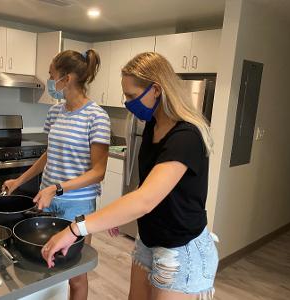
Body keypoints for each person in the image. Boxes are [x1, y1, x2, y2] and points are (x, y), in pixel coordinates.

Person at [41, 52, 219, 300]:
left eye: (132, 96)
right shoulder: (152, 128)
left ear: (156, 90)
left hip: (181, 247)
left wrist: (75, 229)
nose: (127, 103)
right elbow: (147, 187)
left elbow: (146, 199)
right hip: (148, 239)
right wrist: (118, 213)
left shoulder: (186, 137)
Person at [3, 49, 111, 300]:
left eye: (51, 75)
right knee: (46, 264)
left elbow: (99, 172)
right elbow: (49, 154)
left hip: (77, 205)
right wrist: (19, 181)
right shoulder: (55, 112)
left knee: (75, 273)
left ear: (68, 78)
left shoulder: (97, 117)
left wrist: (57, 188)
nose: (49, 81)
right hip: (48, 200)